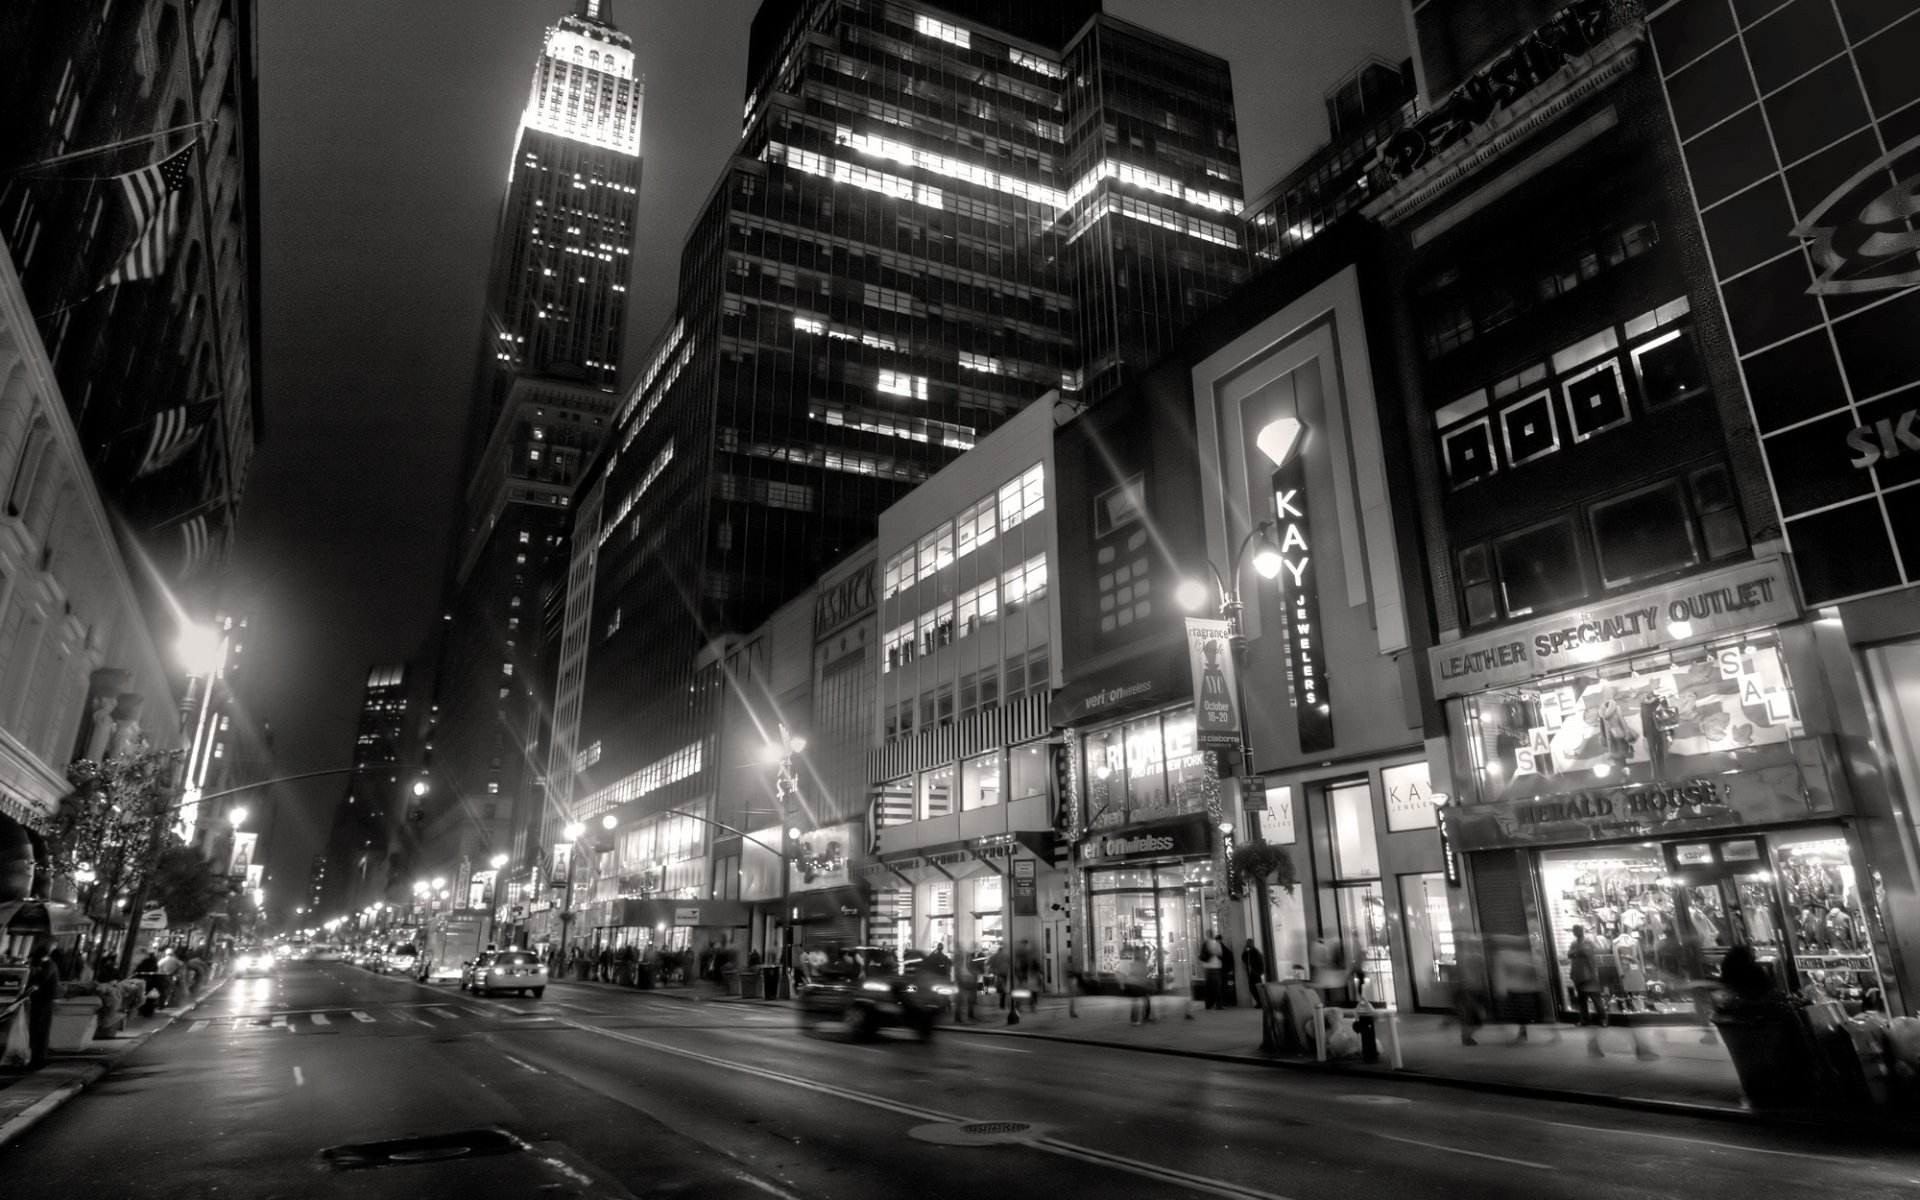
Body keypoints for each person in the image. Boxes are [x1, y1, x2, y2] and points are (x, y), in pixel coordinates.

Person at [1492, 935, 1556, 1044]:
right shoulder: (1519, 956)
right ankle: (1523, 1033)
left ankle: (1551, 1034)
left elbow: (1538, 971)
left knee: (1536, 1014)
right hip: (1523, 989)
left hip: (1529, 989)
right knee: (1523, 1014)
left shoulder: (1531, 956)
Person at [26, 940, 61, 1069]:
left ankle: (36, 1057)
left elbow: (37, 982)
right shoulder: (50, 965)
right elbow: (43, 981)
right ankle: (38, 1057)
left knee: (37, 1029)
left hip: (40, 1001)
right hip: (43, 1001)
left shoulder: (42, 966)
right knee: (40, 1030)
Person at [1567, 925, 1603, 1031]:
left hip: (1589, 974)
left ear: (1581, 931)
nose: (1574, 933)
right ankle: (1584, 1019)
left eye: (1576, 931)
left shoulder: (1588, 942)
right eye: (1574, 931)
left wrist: (1576, 952)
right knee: (1582, 999)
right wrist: (1577, 952)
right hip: (1578, 974)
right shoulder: (1574, 943)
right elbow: (1569, 954)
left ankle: (1603, 1019)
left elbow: (1586, 952)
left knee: (1596, 999)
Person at [1199, 930, 1227, 1010]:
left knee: (1208, 987)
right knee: (1217, 987)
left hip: (1207, 968)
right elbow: (1220, 953)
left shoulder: (1204, 944)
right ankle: (1219, 1004)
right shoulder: (1215, 943)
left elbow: (1201, 956)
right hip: (1215, 967)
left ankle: (1208, 1004)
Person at [1126, 951, 1155, 1024]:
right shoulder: (1141, 965)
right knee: (1146, 1000)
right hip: (1138, 985)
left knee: (1136, 1001)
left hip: (1133, 984)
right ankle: (1144, 1017)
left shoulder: (1134, 964)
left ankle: (1134, 1018)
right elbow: (1145, 974)